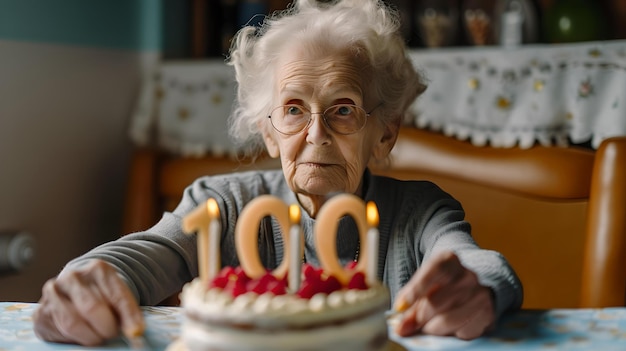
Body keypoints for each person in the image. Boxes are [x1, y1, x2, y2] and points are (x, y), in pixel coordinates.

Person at [33, 0, 523, 346]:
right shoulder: (219, 205)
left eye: (344, 110)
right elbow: (139, 256)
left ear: (386, 132)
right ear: (268, 133)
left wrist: (477, 290)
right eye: (292, 109)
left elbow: (478, 266)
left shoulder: (420, 212)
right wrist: (85, 281)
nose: (315, 135)